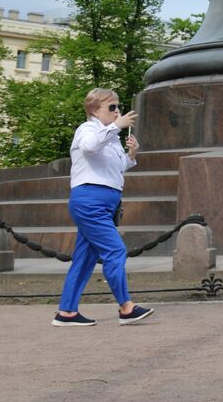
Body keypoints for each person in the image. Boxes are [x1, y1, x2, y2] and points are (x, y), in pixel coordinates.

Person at [52, 89, 153, 326]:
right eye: (112, 107)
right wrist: (117, 126)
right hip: (90, 201)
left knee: (85, 258)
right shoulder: (87, 129)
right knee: (115, 250)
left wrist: (131, 154)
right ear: (95, 109)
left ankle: (66, 312)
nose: (117, 111)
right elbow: (88, 147)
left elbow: (116, 169)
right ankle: (126, 307)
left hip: (103, 202)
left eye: (117, 107)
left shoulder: (110, 137)